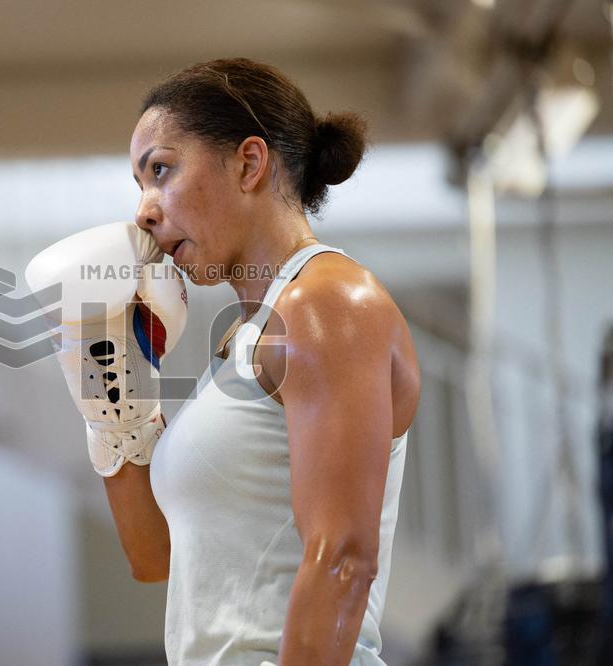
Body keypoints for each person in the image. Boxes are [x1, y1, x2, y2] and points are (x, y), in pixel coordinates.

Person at [26, 57, 420, 666]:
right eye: (139, 184)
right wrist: (114, 410)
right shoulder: (244, 337)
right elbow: (155, 558)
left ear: (248, 163)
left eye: (161, 170)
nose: (144, 210)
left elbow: (344, 555)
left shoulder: (328, 302)